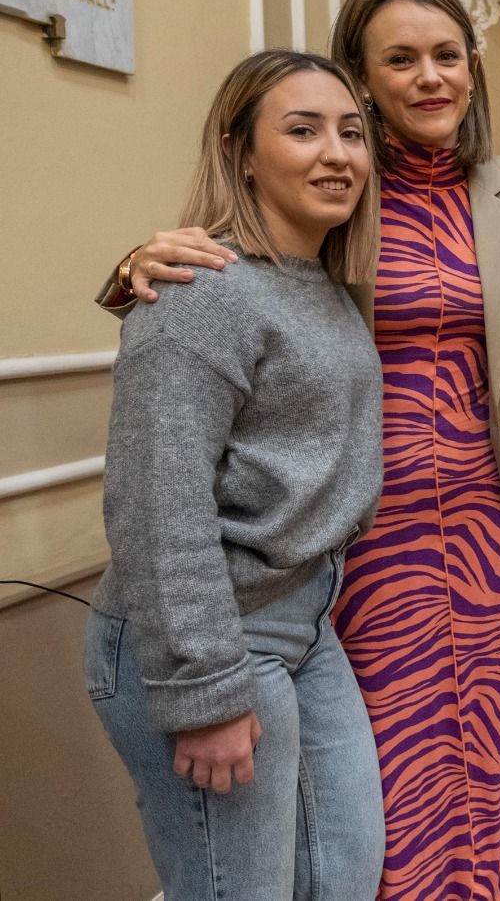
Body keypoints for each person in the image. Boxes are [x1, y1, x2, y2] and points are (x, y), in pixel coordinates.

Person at [97, 0, 500, 901]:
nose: (429, 77)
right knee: (388, 766)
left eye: (447, 55)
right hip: (358, 530)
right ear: (362, 76)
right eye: (400, 59)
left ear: (473, 67)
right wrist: (136, 265)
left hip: (474, 513)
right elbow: (229, 289)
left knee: (480, 750)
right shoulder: (344, 194)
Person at [87, 49, 386, 900]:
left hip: (305, 623)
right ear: (241, 152)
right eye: (303, 131)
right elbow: (157, 504)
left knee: (345, 875)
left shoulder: (322, 283)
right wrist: (205, 690)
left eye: (352, 133)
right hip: (213, 632)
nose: (337, 154)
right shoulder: (201, 289)